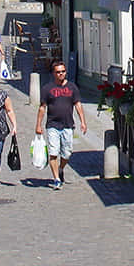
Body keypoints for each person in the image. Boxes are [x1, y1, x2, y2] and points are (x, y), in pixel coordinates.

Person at [40, 61, 86, 189]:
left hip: (67, 124)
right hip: (52, 125)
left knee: (67, 153)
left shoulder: (72, 87)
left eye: (63, 71)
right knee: (53, 153)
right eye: (58, 72)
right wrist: (38, 125)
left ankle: (61, 168)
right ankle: (56, 179)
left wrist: (83, 121)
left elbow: (77, 104)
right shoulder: (47, 89)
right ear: (53, 73)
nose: (61, 74)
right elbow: (42, 107)